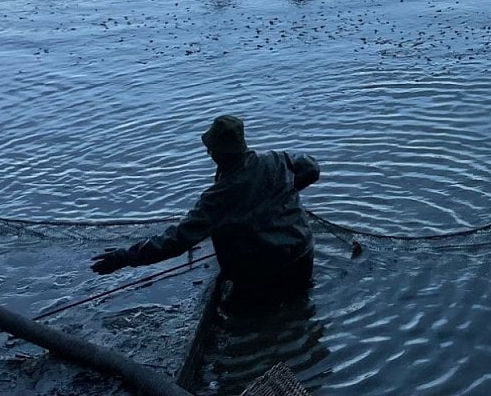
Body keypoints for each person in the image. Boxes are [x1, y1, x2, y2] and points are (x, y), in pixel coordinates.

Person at [91, 115, 320, 312]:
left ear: (216, 154)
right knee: (299, 303)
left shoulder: (218, 196)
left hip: (266, 269)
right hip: (302, 253)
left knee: (240, 317)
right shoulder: (278, 159)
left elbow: (178, 239)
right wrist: (279, 194)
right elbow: (311, 167)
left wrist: (126, 257)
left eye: (210, 149)